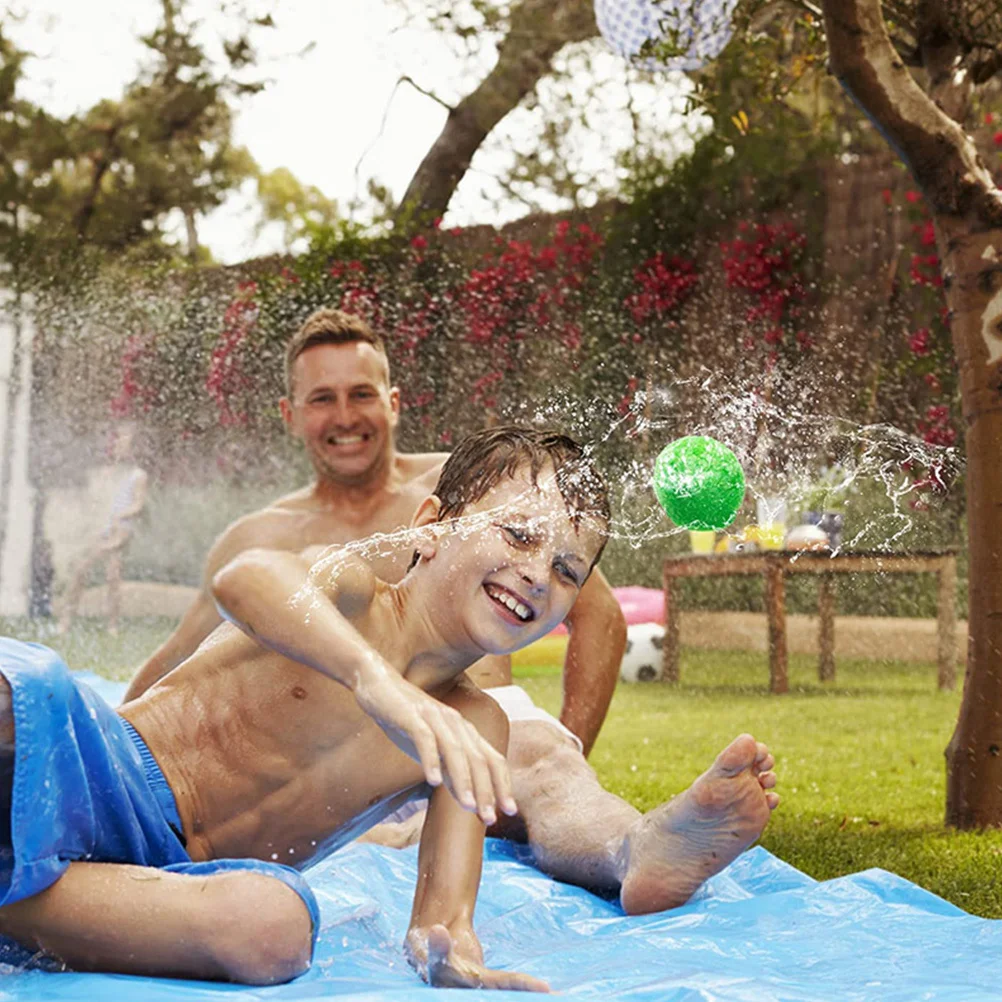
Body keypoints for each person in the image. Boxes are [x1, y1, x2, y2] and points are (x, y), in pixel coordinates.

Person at [124, 310, 777, 907]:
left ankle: (636, 850)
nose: (345, 415)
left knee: (543, 763)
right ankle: (387, 837)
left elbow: (596, 613)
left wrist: (572, 743)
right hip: (339, 761)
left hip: (478, 723)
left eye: (362, 394)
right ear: (290, 412)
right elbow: (184, 660)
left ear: (394, 401)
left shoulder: (478, 487)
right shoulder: (262, 535)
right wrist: (118, 737)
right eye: (322, 398)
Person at [0, 428, 619, 988]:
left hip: (162, 883)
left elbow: (443, 916)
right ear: (431, 525)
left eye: (567, 570)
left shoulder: (478, 724)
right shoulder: (348, 590)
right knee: (39, 685)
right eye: (518, 534)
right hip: (107, 775)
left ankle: (15, 906)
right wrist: (376, 681)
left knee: (276, 929)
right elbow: (243, 578)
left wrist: (452, 955)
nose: (539, 573)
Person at [58, 423, 148, 636]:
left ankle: (109, 625)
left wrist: (120, 516)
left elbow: (138, 504)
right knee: (89, 571)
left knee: (109, 575)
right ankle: (68, 620)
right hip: (104, 530)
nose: (119, 445)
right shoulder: (109, 472)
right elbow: (98, 501)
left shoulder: (138, 475)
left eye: (125, 442)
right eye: (118, 440)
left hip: (121, 531)